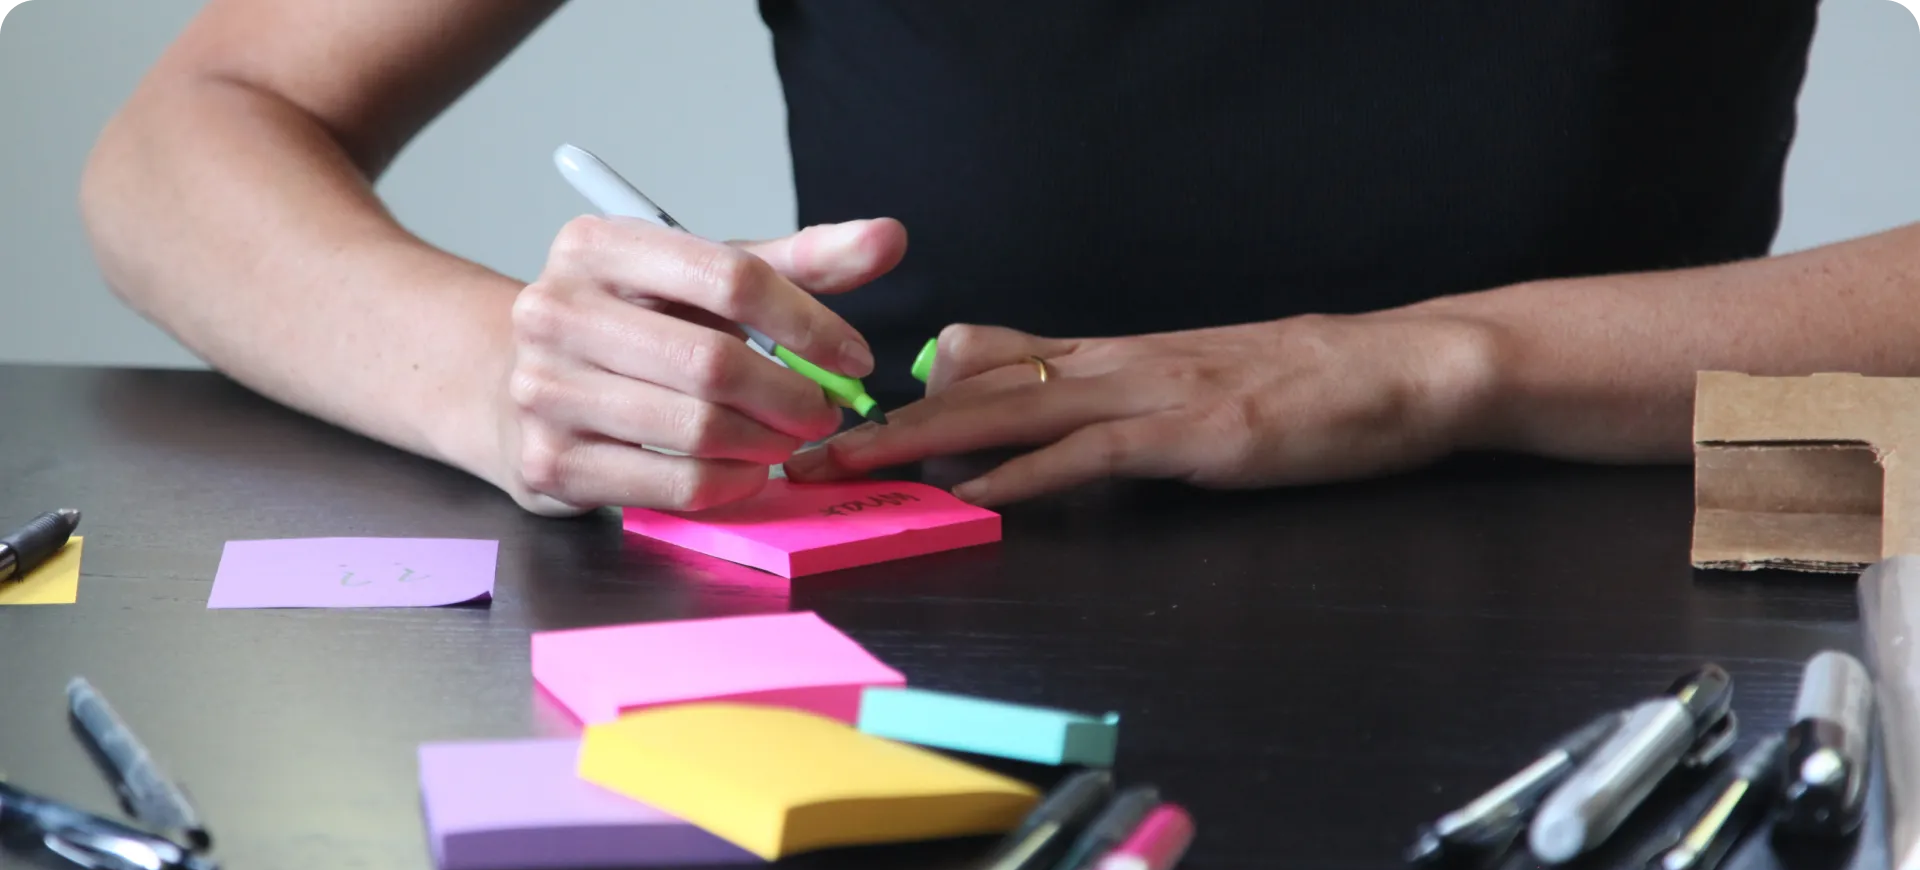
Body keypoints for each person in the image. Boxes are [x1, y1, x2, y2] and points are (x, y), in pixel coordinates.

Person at [82, 2, 1915, 514]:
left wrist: (1432, 362)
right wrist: (501, 371)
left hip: (1682, 606)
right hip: (925, 649)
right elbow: (188, 135)